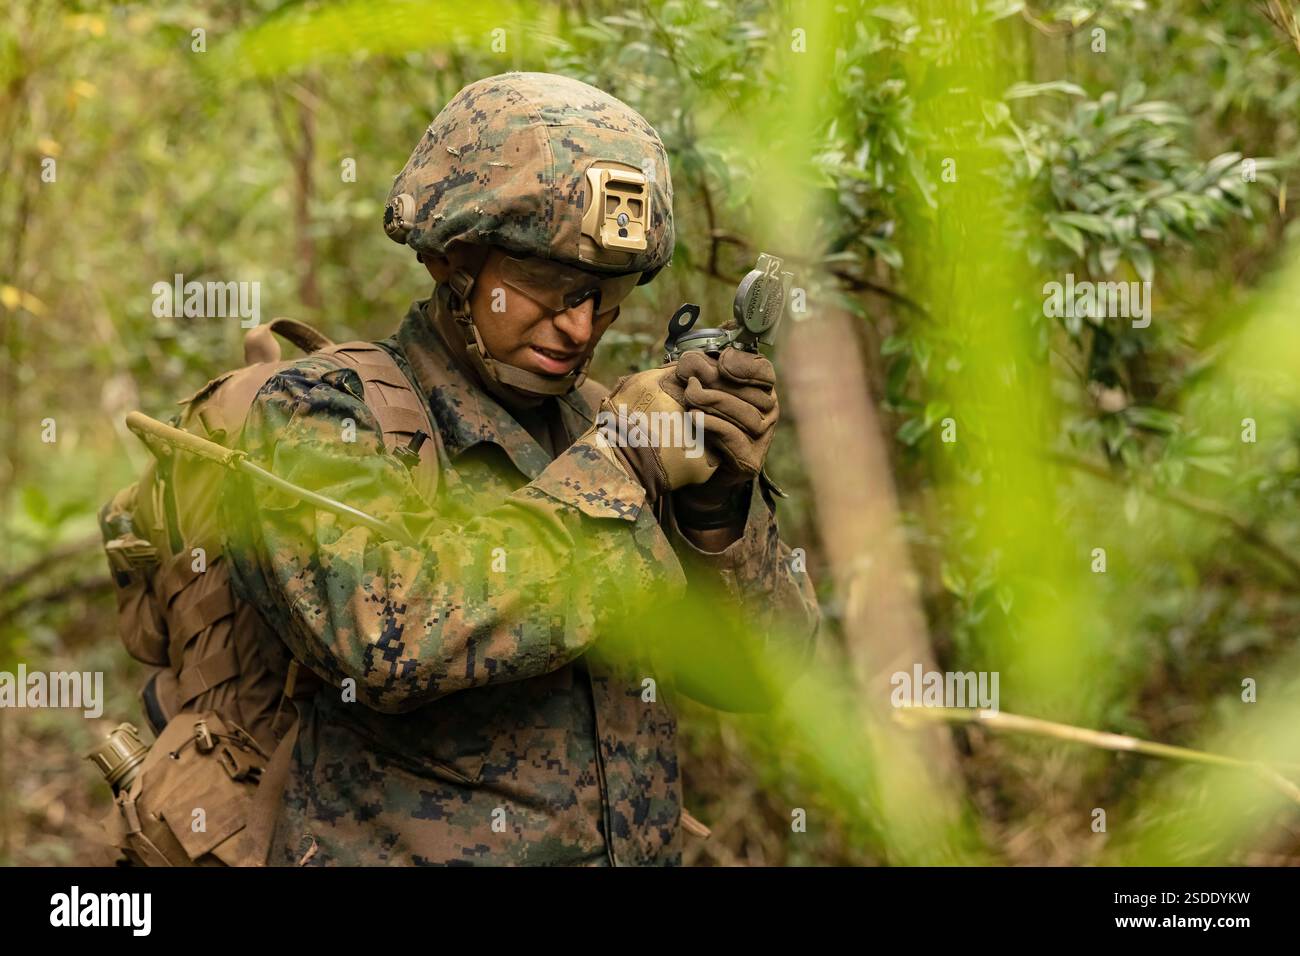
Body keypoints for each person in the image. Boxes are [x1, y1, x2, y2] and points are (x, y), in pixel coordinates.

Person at [222, 71, 820, 866]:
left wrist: (719, 514)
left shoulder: (598, 421)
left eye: (605, 293)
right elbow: (378, 634)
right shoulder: (322, 411)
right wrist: (620, 466)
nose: (579, 326)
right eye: (546, 283)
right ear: (454, 259)